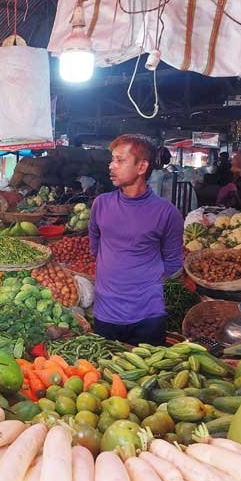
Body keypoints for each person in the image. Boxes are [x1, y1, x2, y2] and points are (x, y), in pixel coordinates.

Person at [89, 134, 184, 346]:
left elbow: (173, 263)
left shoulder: (167, 213)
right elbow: (95, 247)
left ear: (141, 167)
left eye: (120, 160)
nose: (111, 166)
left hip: (148, 316)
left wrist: (142, 285)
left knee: (148, 376)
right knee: (103, 377)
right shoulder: (101, 204)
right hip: (106, 312)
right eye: (112, 159)